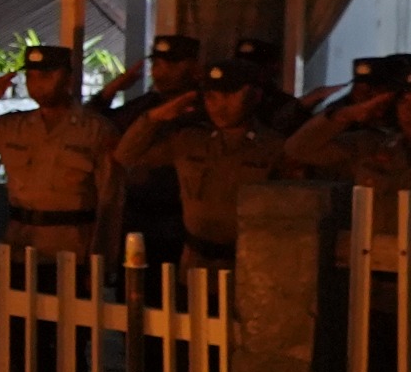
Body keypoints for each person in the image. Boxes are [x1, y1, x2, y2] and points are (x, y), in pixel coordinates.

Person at [0, 45, 118, 259]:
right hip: (21, 246)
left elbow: (110, 200)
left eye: (46, 75)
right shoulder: (14, 127)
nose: (37, 84)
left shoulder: (95, 130)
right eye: (31, 76)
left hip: (72, 248)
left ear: (69, 79)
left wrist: (102, 258)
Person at [116, 61, 292, 270]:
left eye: (229, 96)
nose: (220, 106)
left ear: (252, 95)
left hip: (248, 264)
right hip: (194, 263)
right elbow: (125, 156)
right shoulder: (191, 140)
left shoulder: (273, 146)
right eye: (211, 97)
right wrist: (154, 117)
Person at [100, 34, 203, 276]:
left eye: (172, 64)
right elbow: (96, 127)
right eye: (157, 64)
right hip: (138, 219)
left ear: (193, 66)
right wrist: (110, 91)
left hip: (181, 221)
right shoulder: (146, 105)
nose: (161, 71)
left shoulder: (205, 108)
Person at [286, 78, 411, 228]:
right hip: (378, 248)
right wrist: (345, 115)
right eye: (403, 102)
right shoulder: (372, 146)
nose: (408, 110)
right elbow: (298, 149)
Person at [234, 38, 311, 134]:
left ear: (273, 66)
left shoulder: (281, 103)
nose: (248, 73)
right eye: (242, 66)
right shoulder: (223, 97)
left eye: (256, 67)